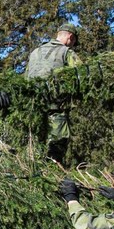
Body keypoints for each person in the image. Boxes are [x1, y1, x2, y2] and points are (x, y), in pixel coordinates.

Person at [24, 23, 82, 160]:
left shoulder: (35, 52)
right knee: (58, 142)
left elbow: (25, 78)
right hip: (55, 106)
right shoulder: (66, 52)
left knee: (33, 144)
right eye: (73, 42)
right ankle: (53, 171)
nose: (72, 45)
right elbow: (81, 74)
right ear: (70, 37)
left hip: (31, 107)